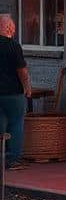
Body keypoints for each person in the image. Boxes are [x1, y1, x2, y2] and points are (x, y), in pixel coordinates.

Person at [0, 13, 32, 171]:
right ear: (8, 28)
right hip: (13, 93)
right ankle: (13, 160)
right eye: (12, 27)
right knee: (16, 124)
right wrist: (27, 86)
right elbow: (22, 71)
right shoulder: (13, 46)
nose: (13, 30)